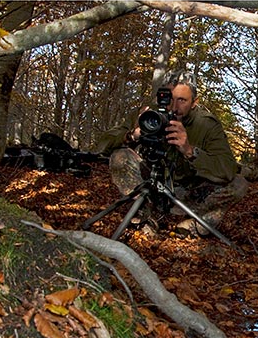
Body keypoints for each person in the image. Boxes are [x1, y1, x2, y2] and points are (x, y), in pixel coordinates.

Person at [95, 71, 248, 237]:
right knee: (120, 157)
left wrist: (190, 151)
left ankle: (195, 225)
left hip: (188, 193)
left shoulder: (206, 125)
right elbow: (102, 145)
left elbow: (227, 168)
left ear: (194, 102)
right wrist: (133, 135)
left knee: (239, 184)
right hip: (151, 187)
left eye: (182, 100)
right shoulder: (149, 115)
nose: (174, 107)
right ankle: (145, 217)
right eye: (169, 98)